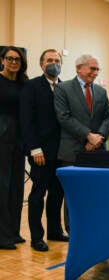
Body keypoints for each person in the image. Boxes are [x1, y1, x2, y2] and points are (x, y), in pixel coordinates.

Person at [54, 54, 109, 232]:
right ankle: (74, 232)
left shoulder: (101, 92)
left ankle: (95, 228)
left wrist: (98, 137)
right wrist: (88, 135)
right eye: (91, 69)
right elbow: (64, 117)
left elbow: (107, 118)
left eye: (97, 69)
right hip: (72, 151)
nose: (95, 73)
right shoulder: (62, 89)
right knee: (74, 194)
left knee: (97, 193)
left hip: (97, 151)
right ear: (79, 68)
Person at [20, 49, 68, 252]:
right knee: (38, 194)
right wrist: (34, 148)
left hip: (62, 151)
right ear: (41, 64)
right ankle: (37, 237)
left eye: (57, 60)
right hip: (40, 151)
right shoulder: (31, 86)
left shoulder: (65, 87)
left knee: (57, 194)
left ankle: (55, 231)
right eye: (49, 60)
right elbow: (26, 120)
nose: (53, 63)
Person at [0, 46, 28, 250]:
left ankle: (14, 232)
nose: (13, 62)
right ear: (2, 60)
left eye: (17, 59)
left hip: (19, 139)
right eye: (9, 58)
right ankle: (2, 236)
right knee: (3, 187)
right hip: (2, 137)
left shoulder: (24, 83)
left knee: (17, 187)